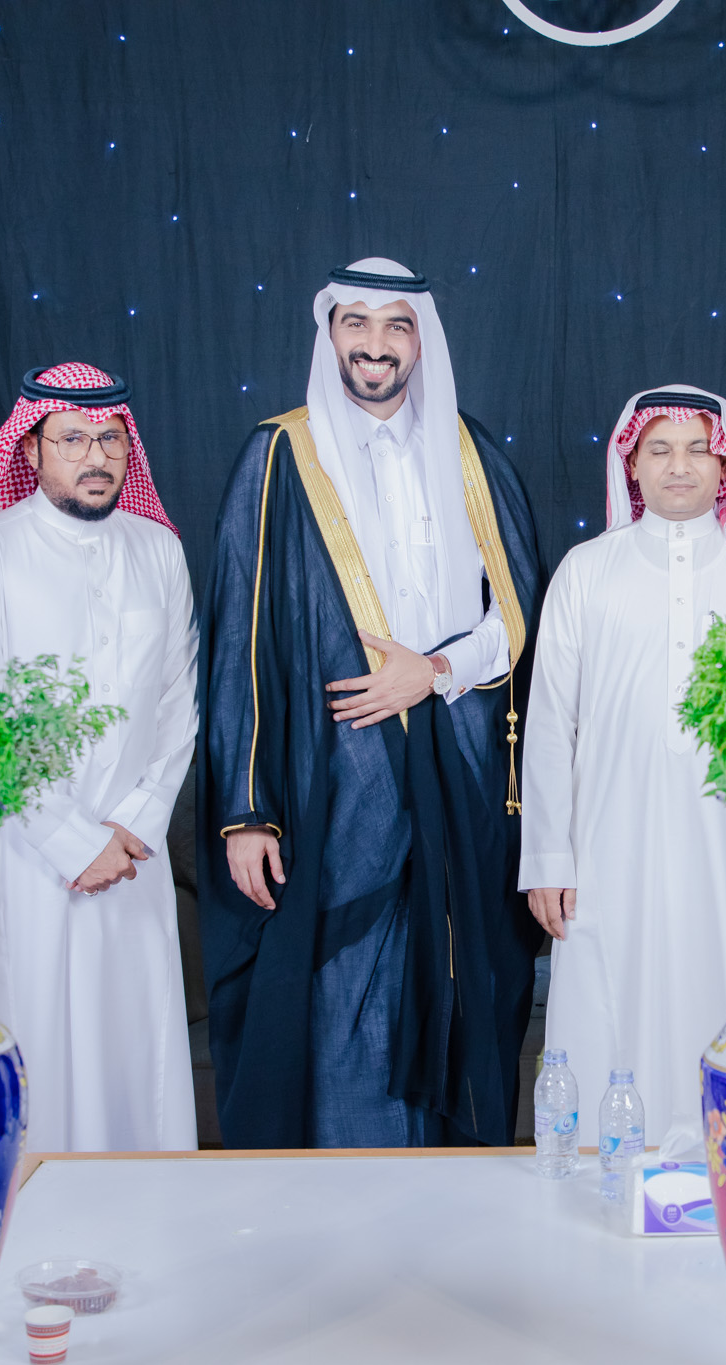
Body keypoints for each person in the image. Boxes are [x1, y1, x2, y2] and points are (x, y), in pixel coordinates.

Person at [201, 258, 542, 1148]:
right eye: (357, 322)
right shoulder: (280, 454)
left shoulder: (471, 454)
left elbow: (516, 615)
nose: (376, 344)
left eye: (397, 325)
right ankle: (344, 1199)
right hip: (328, 776)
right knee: (338, 986)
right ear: (331, 335)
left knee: (460, 976)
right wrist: (247, 810)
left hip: (458, 767)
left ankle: (450, 1203)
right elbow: (238, 636)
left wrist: (432, 671)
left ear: (421, 340)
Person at [0, 363, 199, 1152]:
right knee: (39, 1061)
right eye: (73, 439)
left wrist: (134, 823)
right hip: (28, 860)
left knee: (139, 1065)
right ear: (31, 449)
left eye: (110, 439)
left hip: (133, 858)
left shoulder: (159, 549)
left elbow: (178, 703)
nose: (95, 456)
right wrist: (71, 840)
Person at [520, 386, 726, 1153]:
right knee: (609, 1003)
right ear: (630, 463)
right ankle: (606, 1184)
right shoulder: (587, 569)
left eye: (698, 449)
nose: (679, 465)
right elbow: (549, 724)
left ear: (724, 464)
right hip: (608, 843)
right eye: (659, 449)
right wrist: (547, 857)